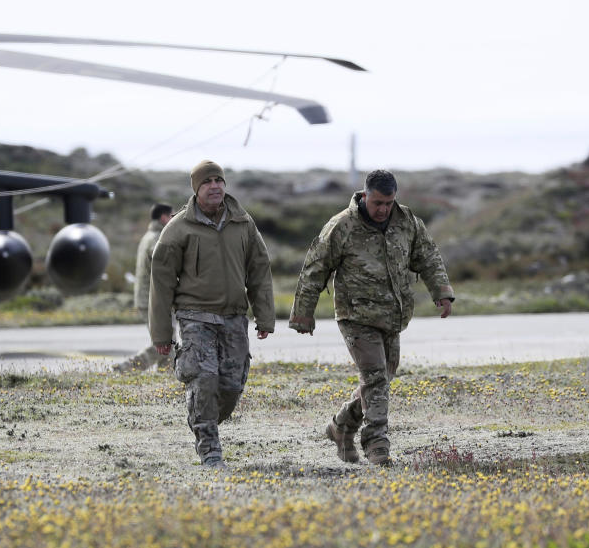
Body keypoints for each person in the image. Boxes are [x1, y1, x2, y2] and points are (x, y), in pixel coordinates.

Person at [289, 169, 455, 466]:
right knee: (375, 376)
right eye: (377, 202)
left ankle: (341, 425)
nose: (383, 209)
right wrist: (303, 312)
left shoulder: (407, 222)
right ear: (364, 196)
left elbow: (428, 256)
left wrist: (442, 291)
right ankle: (377, 443)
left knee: (379, 380)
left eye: (389, 203)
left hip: (393, 316)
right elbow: (315, 268)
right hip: (356, 316)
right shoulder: (342, 226)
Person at [149, 160, 275, 469]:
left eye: (219, 180)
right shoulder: (178, 228)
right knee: (205, 379)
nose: (215, 185)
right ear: (196, 189)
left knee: (231, 387)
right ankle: (209, 449)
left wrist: (265, 316)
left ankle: (200, 416)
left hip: (233, 316)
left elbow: (259, 270)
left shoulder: (243, 223)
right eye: (208, 182)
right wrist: (162, 334)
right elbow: (161, 283)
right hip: (195, 317)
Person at [113, 203, 175, 372]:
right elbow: (165, 263)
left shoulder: (149, 236)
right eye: (172, 216)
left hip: (150, 299)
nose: (173, 219)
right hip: (154, 300)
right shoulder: (157, 239)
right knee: (166, 342)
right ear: (163, 217)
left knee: (169, 343)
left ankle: (166, 376)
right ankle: (128, 367)